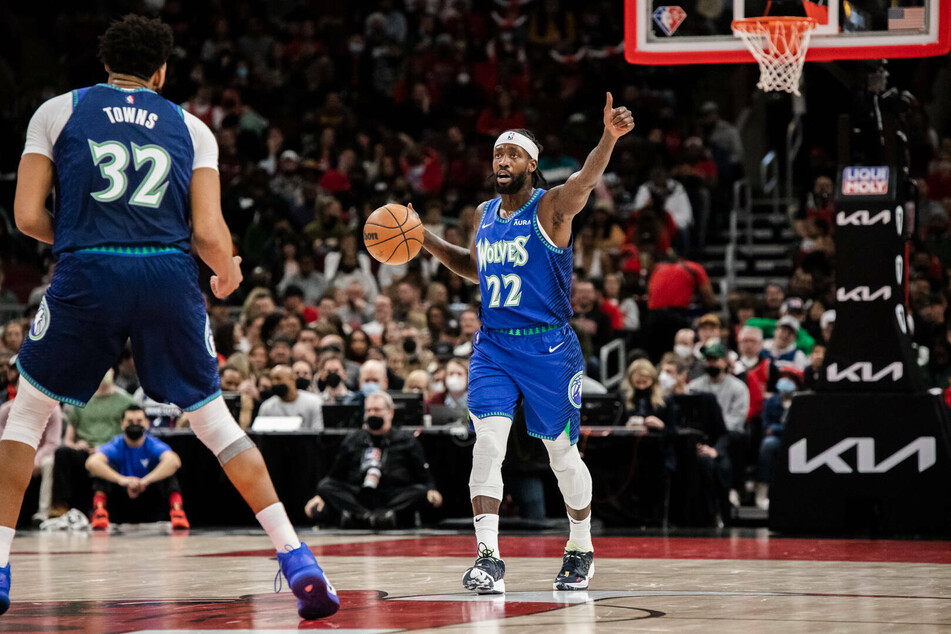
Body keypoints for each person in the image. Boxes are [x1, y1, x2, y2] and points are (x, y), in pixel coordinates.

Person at [0, 16, 337, 620]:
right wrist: (229, 270)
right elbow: (208, 233)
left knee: (27, 413)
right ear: (161, 72)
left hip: (89, 267)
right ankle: (297, 558)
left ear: (106, 67)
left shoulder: (56, 111)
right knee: (215, 423)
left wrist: (80, 241)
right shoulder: (192, 126)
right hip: (165, 271)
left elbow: (26, 216)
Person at [415, 94, 634, 594]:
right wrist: (424, 237)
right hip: (493, 345)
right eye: (497, 155)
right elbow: (475, 268)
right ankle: (488, 558)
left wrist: (609, 138)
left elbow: (586, 180)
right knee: (487, 444)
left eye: (512, 155)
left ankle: (580, 545)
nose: (502, 162)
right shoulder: (483, 213)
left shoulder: (552, 206)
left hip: (549, 349)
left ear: (531, 164)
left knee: (562, 454)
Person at [304, 391, 442, 528]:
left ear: (390, 413)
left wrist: (431, 490)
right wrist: (320, 495)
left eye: (377, 410)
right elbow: (335, 475)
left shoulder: (406, 440)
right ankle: (369, 517)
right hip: (359, 494)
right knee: (325, 486)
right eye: (368, 410)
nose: (372, 414)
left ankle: (371, 517)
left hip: (392, 494)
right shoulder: (353, 439)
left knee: (420, 492)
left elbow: (423, 474)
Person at [85, 405, 189, 530]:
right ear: (122, 424)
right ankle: (99, 512)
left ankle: (177, 511)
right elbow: (92, 462)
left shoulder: (152, 444)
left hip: (149, 496)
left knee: (168, 473)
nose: (134, 425)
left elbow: (174, 461)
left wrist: (145, 481)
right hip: (121, 498)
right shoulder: (116, 444)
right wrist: (122, 480)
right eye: (130, 422)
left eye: (139, 421)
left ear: (147, 423)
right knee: (101, 472)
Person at [258, 365, 324, 430]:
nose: (274, 383)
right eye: (272, 379)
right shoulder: (267, 407)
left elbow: (318, 432)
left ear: (292, 379)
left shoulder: (314, 402)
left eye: (278, 379)